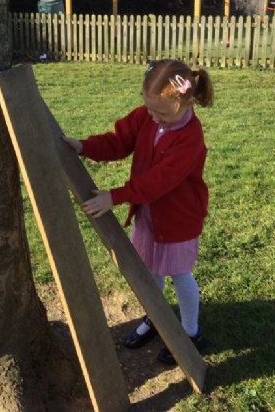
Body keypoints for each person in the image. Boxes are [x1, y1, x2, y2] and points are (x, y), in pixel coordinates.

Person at [62, 59, 213, 365]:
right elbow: (118, 142)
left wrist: (115, 197)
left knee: (179, 274)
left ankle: (190, 333)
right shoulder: (147, 116)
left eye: (162, 113)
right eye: (150, 109)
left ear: (187, 103)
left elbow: (159, 181)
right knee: (150, 271)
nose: (154, 118)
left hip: (178, 219)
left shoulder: (190, 137)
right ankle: (156, 317)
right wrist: (85, 147)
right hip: (148, 214)